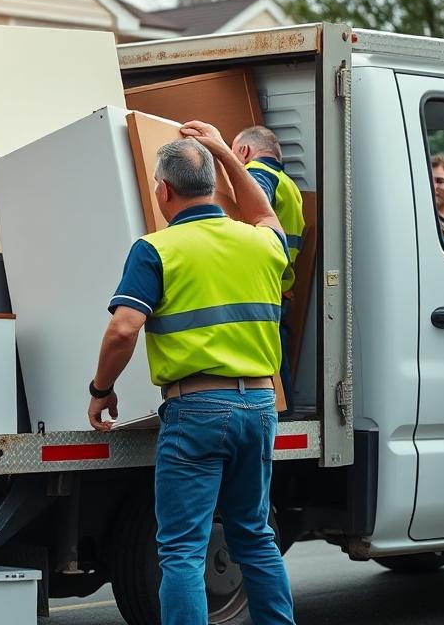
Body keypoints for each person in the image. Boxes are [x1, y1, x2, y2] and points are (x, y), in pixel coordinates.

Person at [87, 123, 296, 624]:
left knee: (182, 549)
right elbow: (265, 211)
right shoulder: (263, 244)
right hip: (259, 408)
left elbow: (123, 330)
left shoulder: (156, 249)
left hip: (198, 409)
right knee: (255, 536)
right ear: (211, 183)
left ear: (163, 190)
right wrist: (225, 152)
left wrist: (102, 389)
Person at [233, 126, 305, 415]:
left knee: (270, 359)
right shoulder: (288, 183)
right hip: (279, 283)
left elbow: (251, 207)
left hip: (261, 284)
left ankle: (278, 413)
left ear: (245, 152)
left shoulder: (258, 174)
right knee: (278, 354)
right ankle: (283, 410)